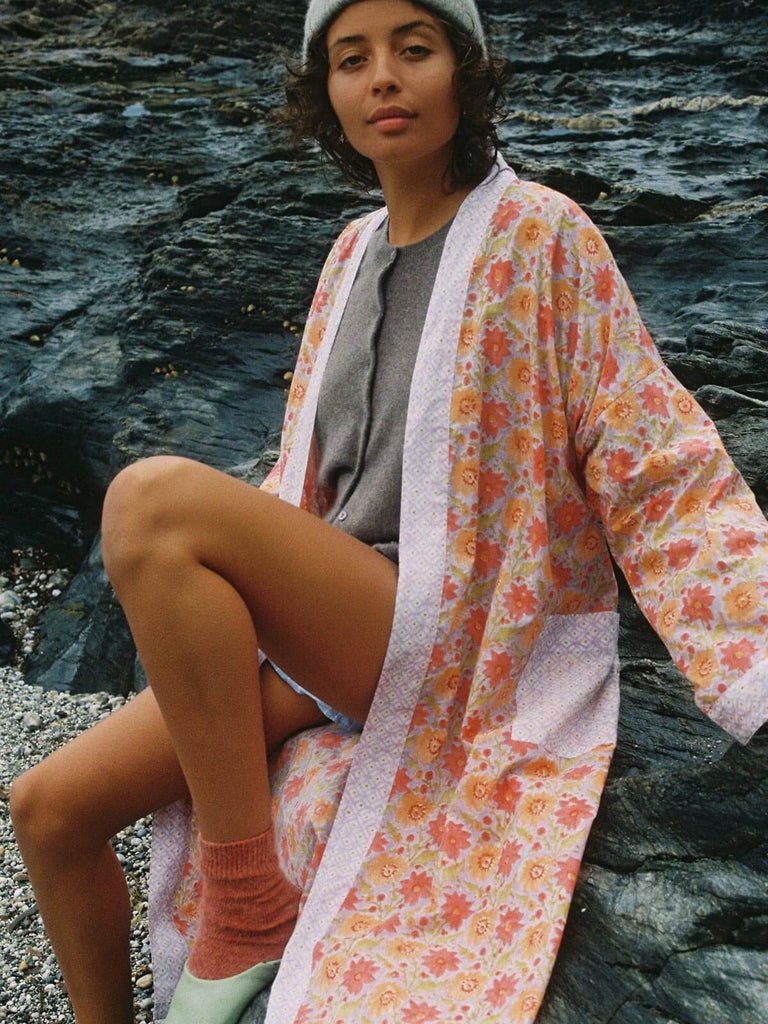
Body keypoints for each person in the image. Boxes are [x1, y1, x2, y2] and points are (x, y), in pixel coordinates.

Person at [9, 1, 768, 1023]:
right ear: (324, 92)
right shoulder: (349, 254)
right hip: (324, 628)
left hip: (442, 629)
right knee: (49, 809)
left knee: (149, 499)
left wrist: (753, 657)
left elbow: (653, 453)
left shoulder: (540, 234)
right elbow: (304, 480)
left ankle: (246, 903)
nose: (383, 79)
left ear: (466, 69)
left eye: (415, 49)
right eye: (351, 58)